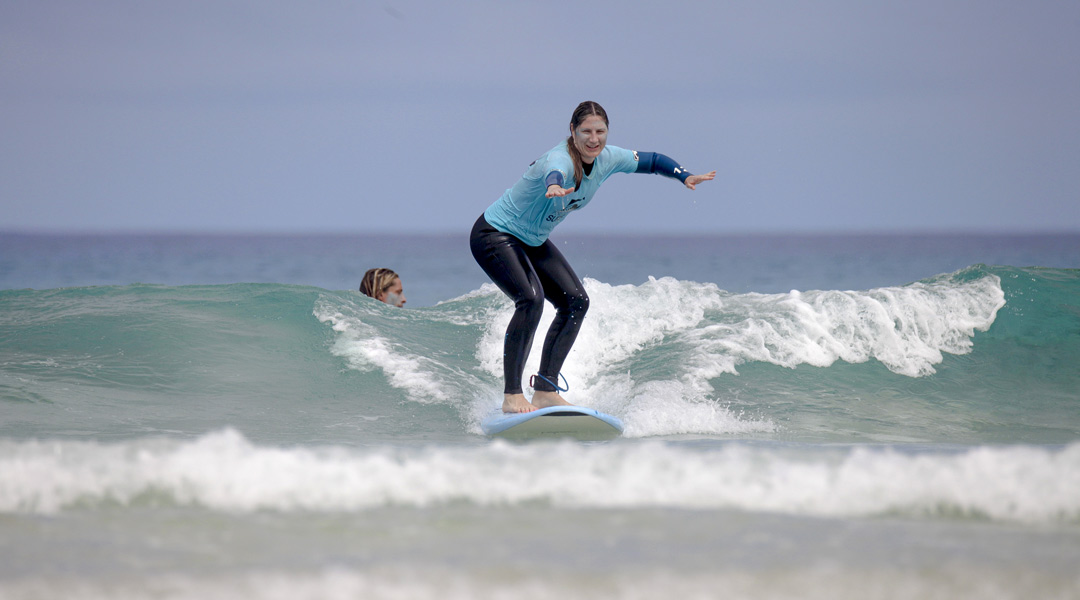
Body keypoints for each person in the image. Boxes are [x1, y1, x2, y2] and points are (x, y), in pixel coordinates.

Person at [470, 101, 716, 414]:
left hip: (532, 240)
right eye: (586, 131)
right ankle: (512, 395)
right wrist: (555, 185)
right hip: (494, 234)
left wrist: (683, 176)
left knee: (576, 301)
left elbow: (652, 160)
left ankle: (545, 389)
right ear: (572, 132)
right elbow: (554, 171)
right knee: (530, 299)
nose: (593, 138)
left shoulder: (609, 157)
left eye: (600, 131)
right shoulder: (558, 159)